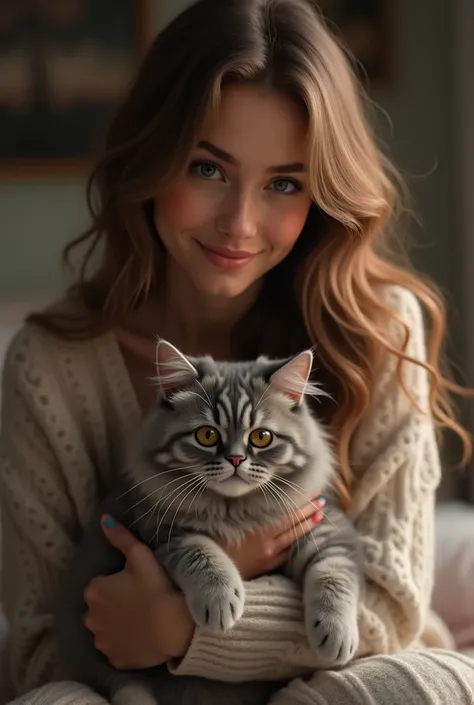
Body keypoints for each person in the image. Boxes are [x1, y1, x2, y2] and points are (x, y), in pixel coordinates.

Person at [1, 0, 474, 703]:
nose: (241, 223)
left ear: (321, 194)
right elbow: (39, 651)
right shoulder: (48, 367)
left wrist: (181, 629)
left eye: (284, 182)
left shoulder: (379, 329)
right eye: (207, 168)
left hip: (341, 683)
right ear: (152, 157)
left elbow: (392, 610)